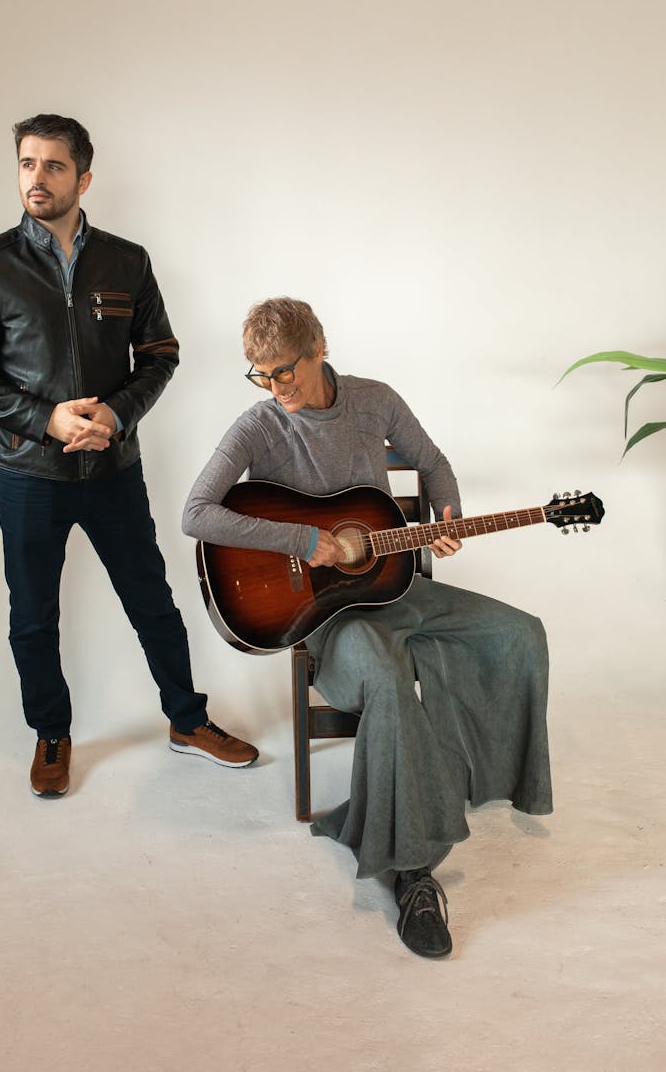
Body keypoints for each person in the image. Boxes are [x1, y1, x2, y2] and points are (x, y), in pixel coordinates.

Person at [182, 297, 552, 959]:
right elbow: (197, 513)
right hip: (329, 619)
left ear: (319, 346)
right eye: (259, 374)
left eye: (284, 371)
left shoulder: (375, 400)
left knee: (520, 633)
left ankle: (482, 780)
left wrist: (448, 514)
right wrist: (303, 537)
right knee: (383, 679)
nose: (274, 387)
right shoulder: (259, 425)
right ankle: (411, 872)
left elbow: (432, 460)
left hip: (397, 591)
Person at [0, 113, 258, 797]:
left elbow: (160, 353)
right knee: (33, 613)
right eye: (28, 163)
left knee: (151, 598)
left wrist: (114, 414)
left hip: (113, 470)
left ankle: (187, 719)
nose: (37, 177)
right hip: (28, 473)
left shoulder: (127, 260)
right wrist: (47, 420)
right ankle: (51, 734)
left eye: (53, 166)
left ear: (84, 177)